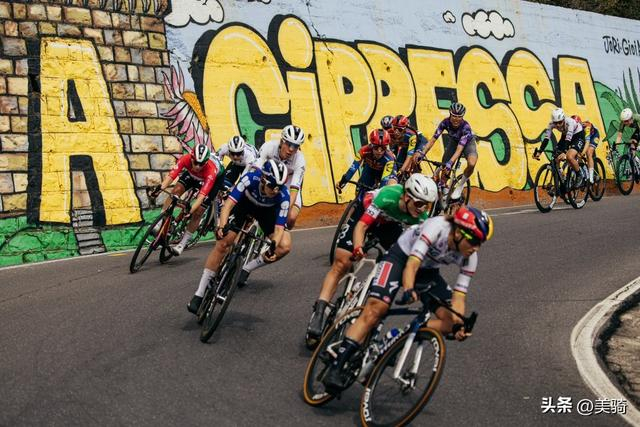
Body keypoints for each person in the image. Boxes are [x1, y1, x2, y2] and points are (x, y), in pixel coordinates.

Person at [322, 206, 493, 392]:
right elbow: (411, 265)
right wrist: (409, 288)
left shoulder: (471, 258)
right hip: (401, 257)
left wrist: (459, 324)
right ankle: (336, 366)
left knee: (450, 323)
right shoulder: (437, 228)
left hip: (427, 271)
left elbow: (459, 298)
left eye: (480, 243)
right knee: (376, 309)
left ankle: (395, 338)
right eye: (474, 241)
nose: (476, 247)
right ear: (458, 233)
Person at [306, 174, 438, 346]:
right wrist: (358, 247)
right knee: (342, 262)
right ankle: (319, 312)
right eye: (420, 203)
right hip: (365, 214)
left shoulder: (421, 216)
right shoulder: (388, 196)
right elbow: (362, 226)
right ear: (406, 197)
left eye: (427, 205)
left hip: (389, 225)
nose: (423, 209)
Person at [187, 159, 291, 313]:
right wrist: (222, 226)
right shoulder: (250, 179)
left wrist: (272, 246)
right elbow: (228, 206)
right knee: (224, 243)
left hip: (267, 212)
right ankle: (199, 293)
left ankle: (247, 268)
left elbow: (279, 228)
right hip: (244, 205)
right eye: (272, 186)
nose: (276, 190)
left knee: (284, 246)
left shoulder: (283, 196)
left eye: (279, 187)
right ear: (263, 179)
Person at [150, 143, 223, 256]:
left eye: (201, 164)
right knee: (175, 192)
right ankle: (159, 223)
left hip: (213, 180)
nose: (198, 166)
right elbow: (171, 176)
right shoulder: (185, 159)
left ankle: (182, 244)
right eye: (196, 162)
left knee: (198, 211)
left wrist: (191, 210)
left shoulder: (211, 170)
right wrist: (160, 189)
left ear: (206, 162)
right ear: (191, 158)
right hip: (192, 175)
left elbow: (201, 197)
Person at [414, 102, 477, 199]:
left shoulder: (466, 127)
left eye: (459, 117)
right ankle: (444, 190)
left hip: (468, 144)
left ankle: (460, 186)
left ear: (463, 116)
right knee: (444, 167)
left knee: (471, 163)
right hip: (454, 141)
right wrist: (422, 153)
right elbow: (433, 140)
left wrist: (450, 162)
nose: (456, 119)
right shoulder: (445, 122)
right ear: (450, 114)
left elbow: (459, 150)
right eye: (454, 116)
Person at [254, 125, 306, 229]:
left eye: (295, 146)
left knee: (291, 217)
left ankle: (283, 232)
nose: (291, 149)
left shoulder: (300, 160)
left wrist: (285, 211)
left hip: (288, 182)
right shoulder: (269, 147)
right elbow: (256, 169)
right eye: (289, 144)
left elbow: (294, 190)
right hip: (269, 177)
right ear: (282, 141)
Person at [336, 128, 397, 202]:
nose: (379, 151)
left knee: (388, 188)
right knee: (359, 192)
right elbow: (352, 169)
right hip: (370, 168)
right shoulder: (363, 151)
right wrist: (343, 182)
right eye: (376, 147)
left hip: (384, 172)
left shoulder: (390, 158)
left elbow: (384, 180)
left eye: (383, 148)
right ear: (371, 145)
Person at [534, 108, 586, 186]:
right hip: (565, 135)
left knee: (569, 156)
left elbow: (568, 139)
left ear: (563, 119)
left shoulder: (569, 122)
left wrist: (565, 152)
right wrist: (540, 151)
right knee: (555, 156)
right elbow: (546, 138)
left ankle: (579, 174)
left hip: (578, 135)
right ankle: (562, 179)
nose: (558, 125)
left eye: (560, 122)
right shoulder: (551, 124)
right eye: (556, 123)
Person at [572, 116, 601, 184]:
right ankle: (583, 171)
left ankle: (591, 178)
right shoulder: (571, 128)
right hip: (584, 138)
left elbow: (587, 143)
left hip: (593, 136)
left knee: (588, 153)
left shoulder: (586, 127)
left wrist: (582, 153)